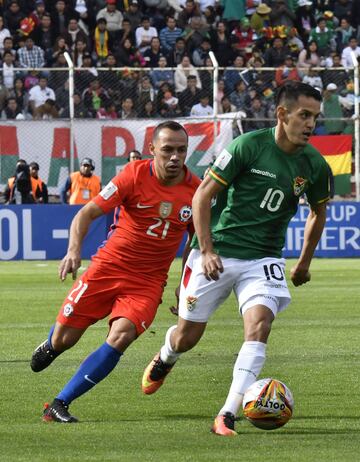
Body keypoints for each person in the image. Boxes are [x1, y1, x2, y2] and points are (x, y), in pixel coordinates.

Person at [141, 81, 330, 436]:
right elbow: (201, 197)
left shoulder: (314, 164)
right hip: (219, 252)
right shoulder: (247, 146)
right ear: (282, 114)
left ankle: (227, 413)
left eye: (315, 117)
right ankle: (167, 355)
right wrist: (208, 250)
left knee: (259, 326)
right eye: (304, 115)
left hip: (264, 258)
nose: (310, 124)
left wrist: (304, 261)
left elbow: (318, 212)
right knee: (187, 336)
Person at [30, 121, 201, 423]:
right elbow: (87, 213)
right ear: (152, 150)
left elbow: (196, 238)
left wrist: (185, 282)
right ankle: (52, 344)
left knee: (121, 336)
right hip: (109, 267)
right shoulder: (133, 175)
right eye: (168, 150)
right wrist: (73, 251)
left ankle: (60, 403)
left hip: (147, 282)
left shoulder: (196, 190)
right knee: (64, 340)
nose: (175, 157)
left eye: (181, 150)